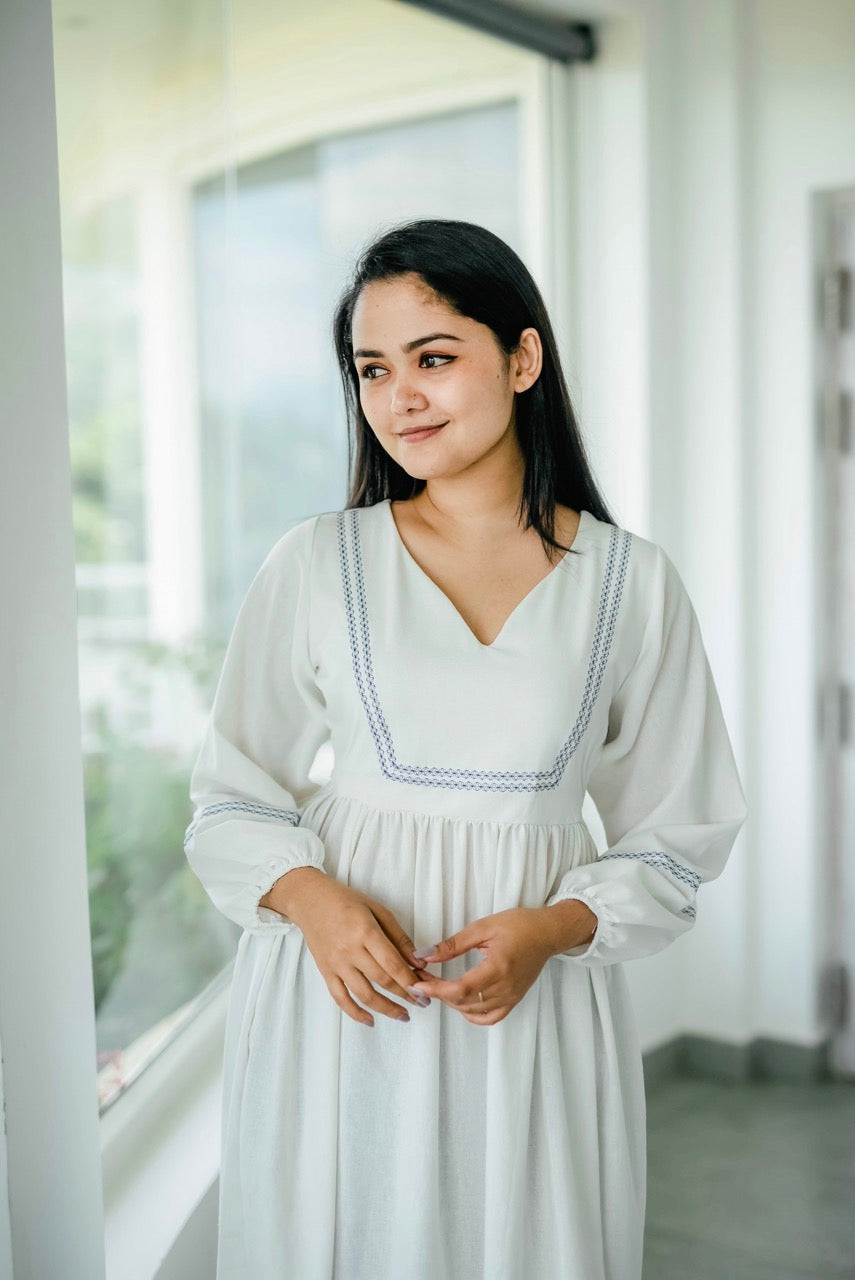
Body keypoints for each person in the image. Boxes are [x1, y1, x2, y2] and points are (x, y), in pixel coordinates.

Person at [184, 217, 748, 1280]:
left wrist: (552, 926)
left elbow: (681, 831)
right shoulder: (316, 562)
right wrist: (315, 899)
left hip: (534, 1020)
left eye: (434, 358)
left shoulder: (631, 583)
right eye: (372, 369)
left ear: (522, 358)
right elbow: (229, 794)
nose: (401, 396)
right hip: (337, 1007)